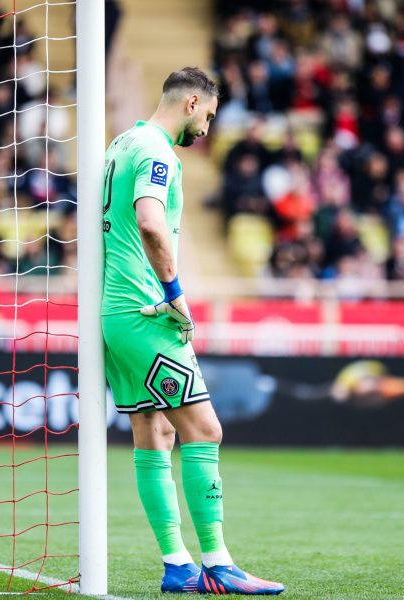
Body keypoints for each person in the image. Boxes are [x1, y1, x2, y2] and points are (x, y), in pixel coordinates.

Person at [101, 67, 285, 595]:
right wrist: (174, 293)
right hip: (146, 313)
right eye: (208, 114)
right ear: (192, 103)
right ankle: (219, 564)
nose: (207, 126)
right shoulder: (158, 151)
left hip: (115, 314)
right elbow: (151, 221)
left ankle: (178, 565)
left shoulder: (121, 144)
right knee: (205, 431)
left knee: (153, 433)